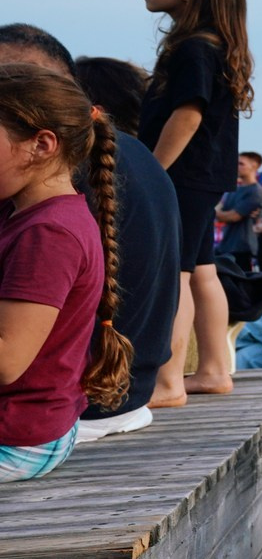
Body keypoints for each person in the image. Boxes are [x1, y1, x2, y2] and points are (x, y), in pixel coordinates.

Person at [0, 34, 177, 429]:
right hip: (121, 392)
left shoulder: (46, 222)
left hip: (56, 415)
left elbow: (9, 358)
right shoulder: (126, 158)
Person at [0, 65, 130, 481]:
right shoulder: (25, 213)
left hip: (18, 436)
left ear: (41, 144)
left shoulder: (48, 234)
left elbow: (7, 360)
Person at [137, 0, 254, 397]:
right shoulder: (216, 45)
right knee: (202, 270)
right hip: (204, 176)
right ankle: (213, 370)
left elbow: (187, 114)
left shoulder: (193, 49)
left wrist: (152, 172)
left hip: (181, 176)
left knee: (176, 274)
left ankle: (167, 381)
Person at [213, 150, 262, 268]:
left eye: (241, 164)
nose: (237, 167)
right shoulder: (234, 189)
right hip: (227, 245)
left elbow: (233, 216)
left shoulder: (255, 191)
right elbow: (221, 209)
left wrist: (213, 213)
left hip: (243, 247)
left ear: (254, 166)